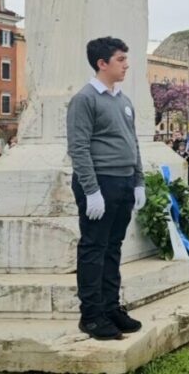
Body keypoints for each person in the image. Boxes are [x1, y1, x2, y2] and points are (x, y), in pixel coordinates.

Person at [66, 36, 145, 340]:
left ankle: (111, 307)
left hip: (124, 182)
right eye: (120, 59)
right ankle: (91, 314)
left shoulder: (123, 101)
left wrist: (138, 181)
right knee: (93, 248)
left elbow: (133, 143)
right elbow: (79, 147)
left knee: (113, 249)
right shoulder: (85, 99)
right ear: (102, 63)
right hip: (100, 183)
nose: (126, 65)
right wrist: (91, 189)